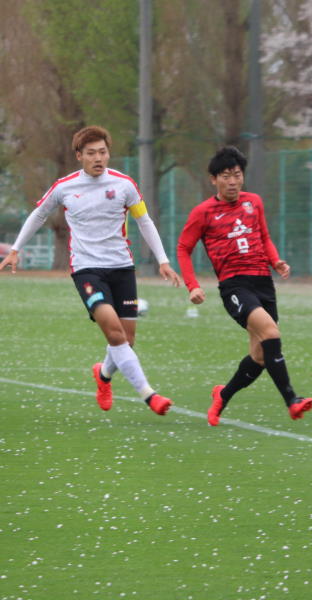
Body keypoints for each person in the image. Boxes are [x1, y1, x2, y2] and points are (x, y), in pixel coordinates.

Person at [0, 125, 180, 415]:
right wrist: (16, 249)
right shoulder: (64, 187)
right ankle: (149, 394)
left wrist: (163, 260)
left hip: (121, 267)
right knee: (114, 333)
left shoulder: (124, 185)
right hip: (87, 270)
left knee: (127, 339)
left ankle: (103, 375)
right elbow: (39, 214)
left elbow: (144, 221)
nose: (99, 158)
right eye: (92, 153)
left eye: (103, 152)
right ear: (79, 156)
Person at [176, 146, 312, 425]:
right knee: (271, 333)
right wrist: (193, 285)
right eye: (226, 176)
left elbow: (264, 235)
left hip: (263, 281)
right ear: (213, 179)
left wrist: (275, 261)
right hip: (234, 286)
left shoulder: (254, 203)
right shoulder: (203, 212)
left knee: (260, 355)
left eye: (237, 175)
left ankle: (223, 395)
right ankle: (292, 400)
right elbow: (183, 248)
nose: (233, 181)